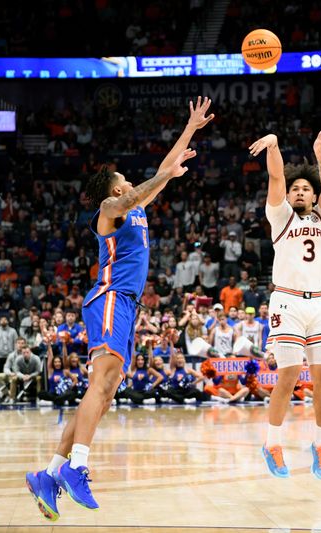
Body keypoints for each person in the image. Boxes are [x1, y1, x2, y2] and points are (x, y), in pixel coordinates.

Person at [26, 96, 213, 520]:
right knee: (101, 383)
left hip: (125, 306)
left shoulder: (138, 207)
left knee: (107, 392)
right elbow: (154, 180)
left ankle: (49, 474)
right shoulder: (110, 211)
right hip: (110, 298)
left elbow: (162, 174)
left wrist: (189, 130)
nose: (133, 184)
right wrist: (163, 173)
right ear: (115, 189)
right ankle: (78, 465)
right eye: (127, 181)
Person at [250, 127, 321, 480]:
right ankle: (272, 443)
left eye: (306, 188)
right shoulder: (280, 216)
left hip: (319, 305)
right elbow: (275, 174)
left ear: (313, 198)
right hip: (286, 301)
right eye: (295, 188)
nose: (299, 191)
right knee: (287, 376)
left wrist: (320, 155)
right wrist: (273, 143)